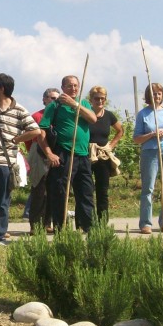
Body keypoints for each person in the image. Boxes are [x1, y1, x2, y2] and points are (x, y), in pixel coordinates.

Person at [0, 74, 40, 245]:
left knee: (3, 202)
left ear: (1, 89)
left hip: (6, 164)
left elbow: (35, 130)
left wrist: (18, 140)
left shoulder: (20, 110)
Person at [37, 75, 98, 233]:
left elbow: (92, 118)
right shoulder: (55, 106)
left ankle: (87, 227)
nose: (73, 89)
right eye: (70, 86)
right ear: (63, 87)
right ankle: (61, 229)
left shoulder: (83, 103)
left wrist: (75, 105)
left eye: (76, 86)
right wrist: (49, 153)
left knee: (86, 192)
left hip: (83, 155)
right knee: (60, 193)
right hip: (64, 154)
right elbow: (41, 131)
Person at [132, 83, 163, 235]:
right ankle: (146, 223)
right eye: (154, 93)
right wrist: (152, 135)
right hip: (149, 152)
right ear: (148, 96)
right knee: (148, 188)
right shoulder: (143, 114)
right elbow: (137, 138)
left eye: (159, 93)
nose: (157, 96)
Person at [25, 87, 60, 234]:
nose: (54, 101)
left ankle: (47, 223)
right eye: (51, 98)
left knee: (52, 190)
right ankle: (35, 225)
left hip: (56, 152)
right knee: (38, 189)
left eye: (56, 99)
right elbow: (28, 137)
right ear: (45, 99)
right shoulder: (36, 116)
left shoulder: (59, 115)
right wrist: (33, 152)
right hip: (38, 153)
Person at [88, 85, 124, 222]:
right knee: (87, 189)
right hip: (87, 155)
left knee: (102, 191)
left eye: (103, 98)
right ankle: (88, 222)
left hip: (103, 157)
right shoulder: (86, 114)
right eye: (97, 98)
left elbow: (120, 131)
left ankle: (103, 222)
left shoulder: (109, 116)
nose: (100, 101)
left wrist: (111, 145)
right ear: (91, 99)